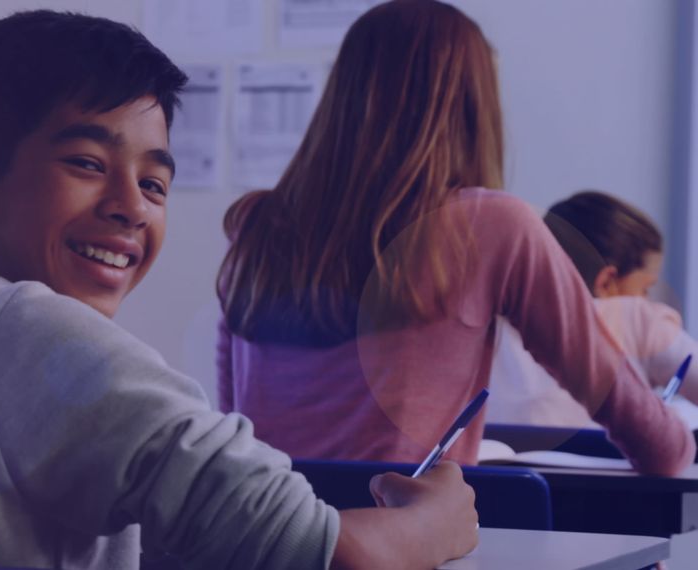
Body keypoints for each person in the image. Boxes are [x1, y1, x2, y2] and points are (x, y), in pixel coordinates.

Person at [0, 10, 477, 570]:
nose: (131, 204)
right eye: (88, 162)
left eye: (154, 181)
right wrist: (442, 521)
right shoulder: (33, 334)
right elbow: (332, 556)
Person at [215, 0, 694, 474]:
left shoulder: (256, 226)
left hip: (262, 540)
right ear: (472, 105)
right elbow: (656, 443)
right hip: (400, 545)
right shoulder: (492, 225)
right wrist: (675, 438)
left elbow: (233, 426)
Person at [489, 190, 698, 427]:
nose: (646, 300)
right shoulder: (636, 318)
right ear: (606, 282)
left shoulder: (496, 325)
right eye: (645, 288)